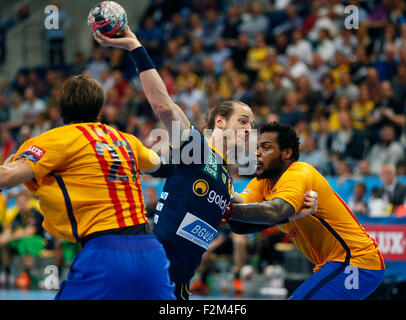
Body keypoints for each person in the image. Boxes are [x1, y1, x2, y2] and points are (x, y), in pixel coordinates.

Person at [93, 28, 317, 300]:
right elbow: (164, 106)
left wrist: (294, 212)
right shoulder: (195, 148)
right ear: (220, 121)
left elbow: (250, 217)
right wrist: (134, 46)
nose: (250, 128)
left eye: (252, 124)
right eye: (243, 120)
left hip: (180, 283)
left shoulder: (226, 179)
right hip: (151, 272)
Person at [0, 75, 175, 300]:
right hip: (151, 251)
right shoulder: (126, 140)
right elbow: (165, 166)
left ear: (61, 110)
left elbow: (7, 178)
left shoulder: (56, 139)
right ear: (99, 110)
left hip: (105, 252)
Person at [225, 122, 385, 300]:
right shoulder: (261, 182)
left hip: (356, 261)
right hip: (330, 264)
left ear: (286, 153)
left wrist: (225, 206)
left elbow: (275, 212)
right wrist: (224, 198)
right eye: (256, 147)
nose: (257, 152)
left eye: (266, 147)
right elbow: (240, 225)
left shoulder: (299, 173)